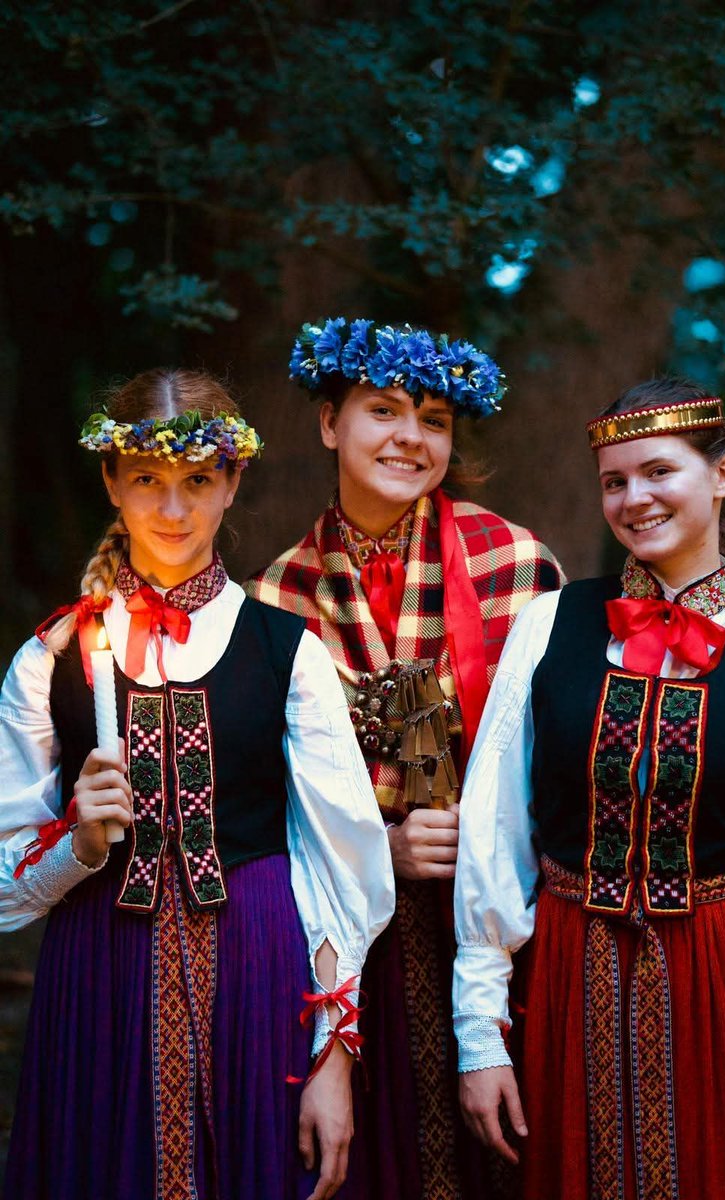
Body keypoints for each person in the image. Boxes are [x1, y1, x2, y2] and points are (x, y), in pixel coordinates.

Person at [0, 368, 395, 1200]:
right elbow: (4, 894)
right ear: (111, 480)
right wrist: (79, 845)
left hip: (258, 974)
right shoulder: (50, 658)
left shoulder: (288, 652)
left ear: (232, 480)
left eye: (198, 481)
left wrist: (332, 1057)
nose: (173, 509)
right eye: (147, 479)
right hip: (98, 979)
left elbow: (341, 870)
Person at [454, 377, 725, 1200]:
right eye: (614, 481)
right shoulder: (551, 624)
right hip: (572, 972)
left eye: (658, 472)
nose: (633, 498)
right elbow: (494, 832)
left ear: (723, 474)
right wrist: (481, 1034)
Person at [247, 318, 564, 1200]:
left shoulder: (517, 564)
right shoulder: (276, 597)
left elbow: (560, 753)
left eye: (434, 419)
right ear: (328, 422)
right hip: (352, 938)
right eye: (383, 410)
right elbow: (266, 806)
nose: (410, 438)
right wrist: (378, 849)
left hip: (501, 925)